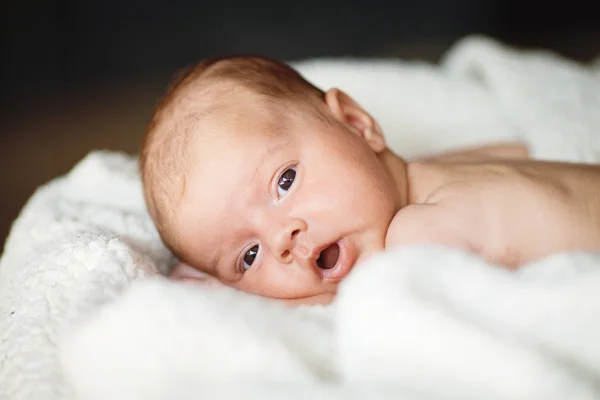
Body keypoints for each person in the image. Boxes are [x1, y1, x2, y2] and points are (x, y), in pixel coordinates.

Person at [140, 55, 599, 305]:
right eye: (249, 256)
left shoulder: (417, 235)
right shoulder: (442, 173)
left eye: (284, 182)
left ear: (358, 124)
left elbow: (378, 306)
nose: (282, 237)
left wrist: (234, 294)